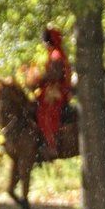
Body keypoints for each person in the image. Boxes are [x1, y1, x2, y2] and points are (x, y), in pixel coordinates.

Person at [32, 28, 72, 157]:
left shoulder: (56, 55)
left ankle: (51, 145)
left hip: (57, 91)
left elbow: (55, 74)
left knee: (45, 112)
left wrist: (39, 79)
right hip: (52, 90)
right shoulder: (55, 53)